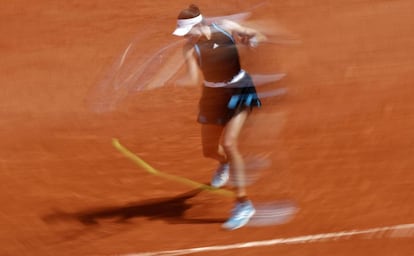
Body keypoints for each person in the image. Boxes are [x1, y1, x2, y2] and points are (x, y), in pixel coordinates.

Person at [172, 4, 266, 230]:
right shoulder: (189, 49)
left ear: (198, 26)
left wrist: (252, 40)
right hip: (212, 94)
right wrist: (179, 82)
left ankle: (243, 204)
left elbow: (257, 35)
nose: (186, 37)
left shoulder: (225, 28)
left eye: (188, 32)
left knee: (230, 143)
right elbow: (194, 77)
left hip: (239, 89)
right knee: (210, 150)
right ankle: (224, 163)